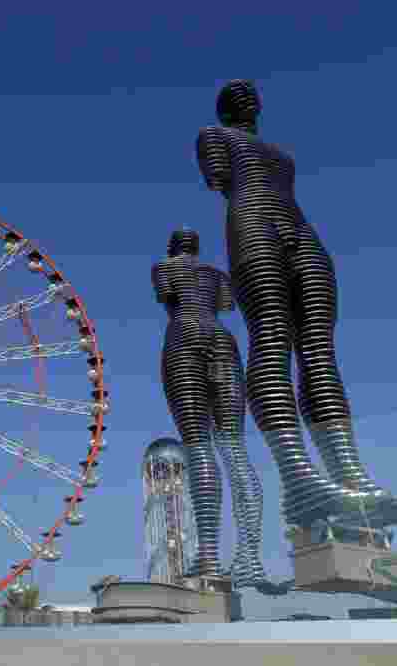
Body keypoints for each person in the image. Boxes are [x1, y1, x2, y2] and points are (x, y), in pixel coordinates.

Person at [195, 79, 397, 528]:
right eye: (235, 95)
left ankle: (352, 478)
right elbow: (220, 179)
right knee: (271, 337)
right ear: (224, 108)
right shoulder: (214, 136)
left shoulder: (279, 151)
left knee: (321, 352)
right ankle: (299, 478)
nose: (247, 98)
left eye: (251, 93)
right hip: (253, 224)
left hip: (301, 230)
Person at [153, 228, 265, 587]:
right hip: (221, 338)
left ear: (173, 247)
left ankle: (210, 559)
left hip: (183, 335)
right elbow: (225, 307)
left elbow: (168, 298)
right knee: (234, 447)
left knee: (198, 446)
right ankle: (250, 559)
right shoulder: (217, 276)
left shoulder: (164, 267)